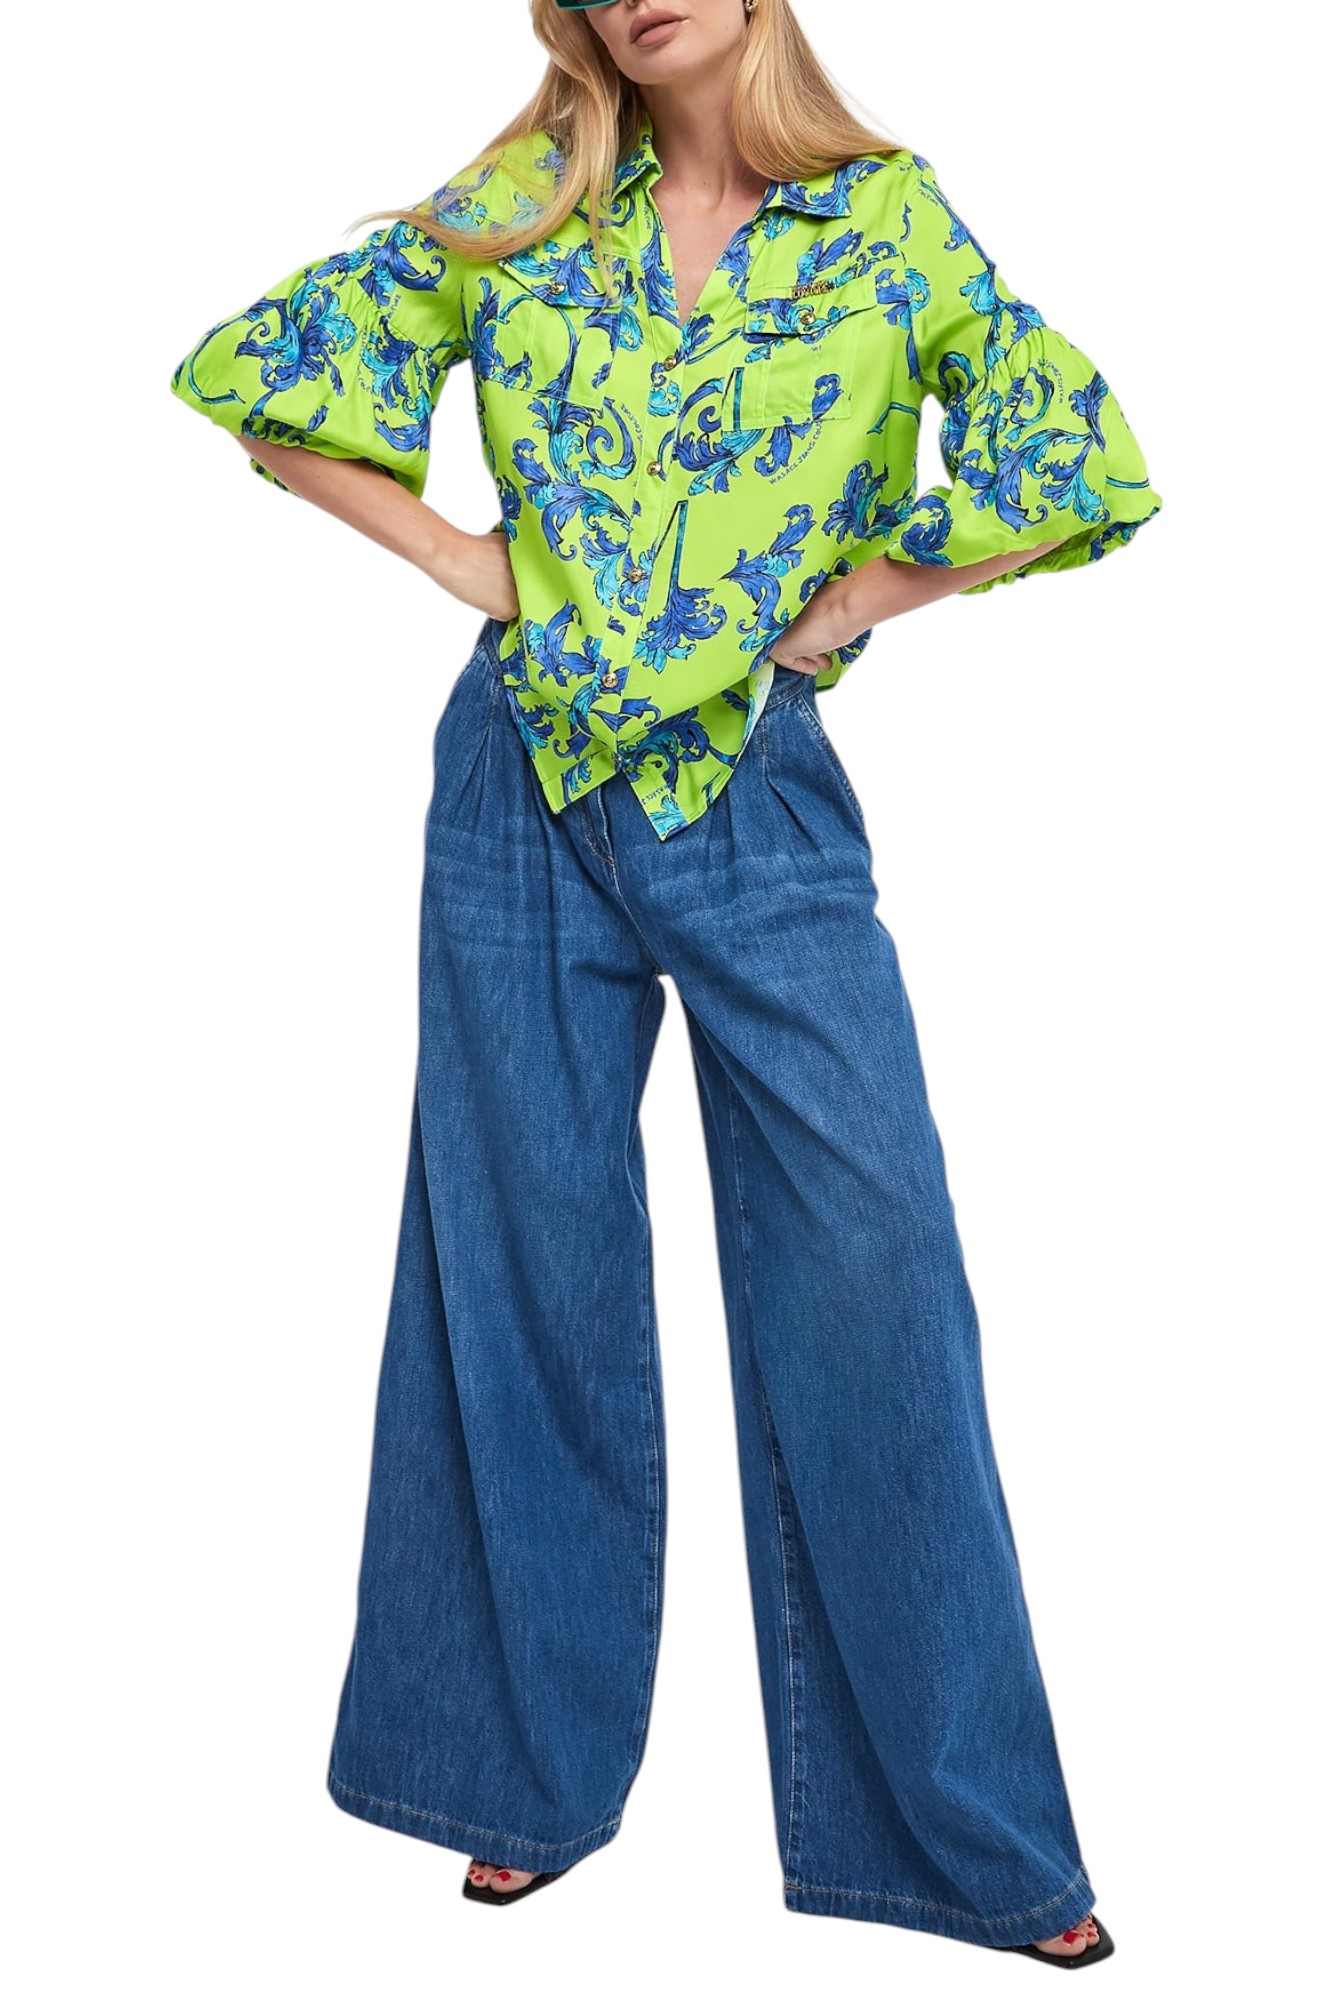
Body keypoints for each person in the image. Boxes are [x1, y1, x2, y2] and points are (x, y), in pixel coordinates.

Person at [169, 0, 1159, 1967]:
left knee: (872, 1280)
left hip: (757, 795)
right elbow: (270, 377)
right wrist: (462, 561)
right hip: (516, 784)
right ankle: (509, 1778)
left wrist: (869, 597)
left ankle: (963, 1845)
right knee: (514, 1271)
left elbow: (1074, 452)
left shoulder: (881, 216)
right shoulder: (530, 200)